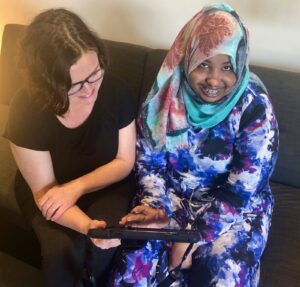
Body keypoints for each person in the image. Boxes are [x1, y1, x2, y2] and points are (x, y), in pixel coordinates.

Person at [109, 3, 278, 287]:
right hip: (170, 199)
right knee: (133, 271)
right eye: (203, 64)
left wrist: (191, 239)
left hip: (232, 209)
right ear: (186, 60)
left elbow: (242, 191)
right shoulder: (164, 96)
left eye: (227, 67)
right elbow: (149, 163)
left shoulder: (254, 105)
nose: (214, 79)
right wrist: (155, 208)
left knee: (221, 276)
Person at [4, 8, 136, 287]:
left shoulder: (118, 91)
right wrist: (86, 226)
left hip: (107, 181)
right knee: (60, 251)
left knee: (107, 243)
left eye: (95, 73)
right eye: (74, 85)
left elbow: (124, 161)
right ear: (48, 85)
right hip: (48, 190)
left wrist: (76, 187)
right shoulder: (26, 109)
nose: (90, 90)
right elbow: (45, 193)